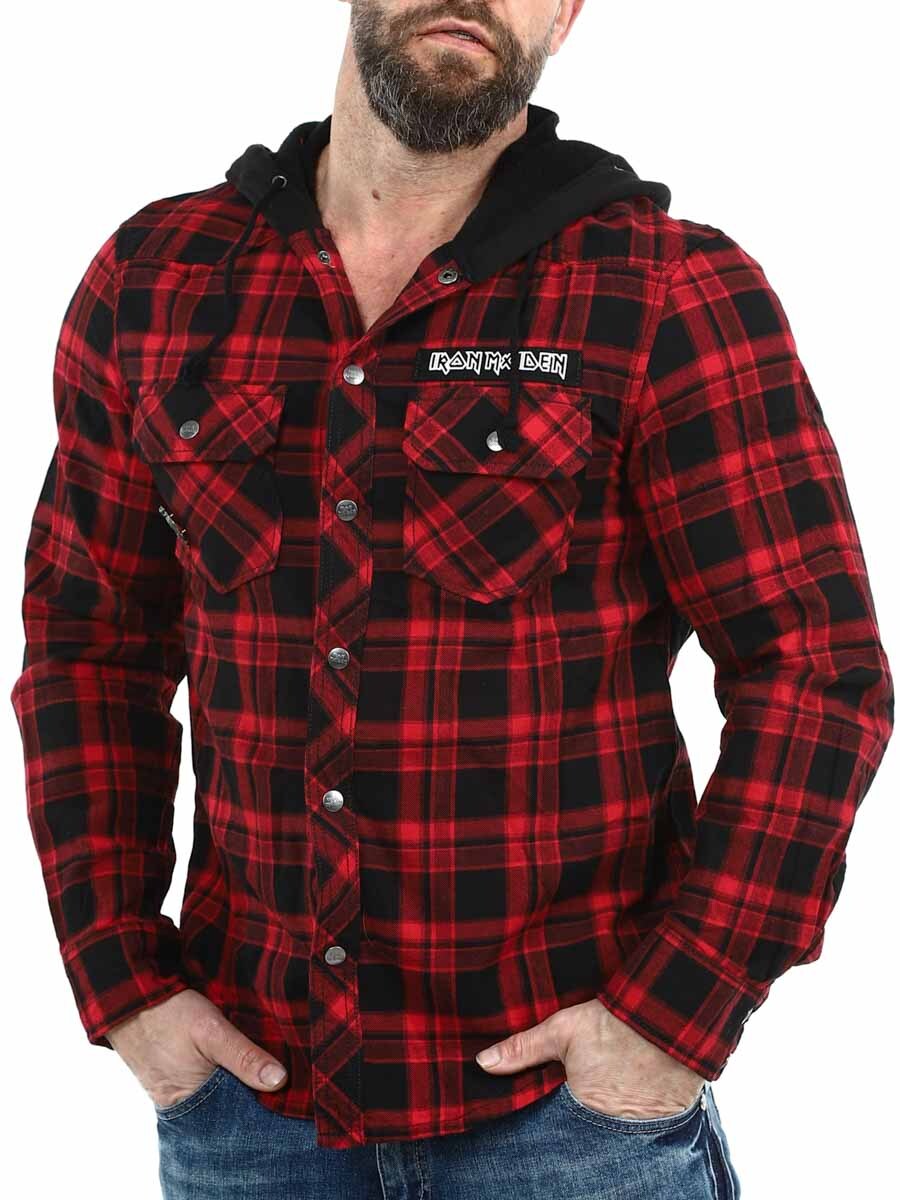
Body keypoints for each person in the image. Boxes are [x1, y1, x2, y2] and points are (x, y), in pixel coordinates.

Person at [10, 2, 893, 1197]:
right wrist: (121, 978)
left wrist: (674, 1017)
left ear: (564, 16)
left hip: (570, 1127)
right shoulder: (158, 281)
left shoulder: (665, 291)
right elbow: (88, 644)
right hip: (248, 1111)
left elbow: (815, 669)